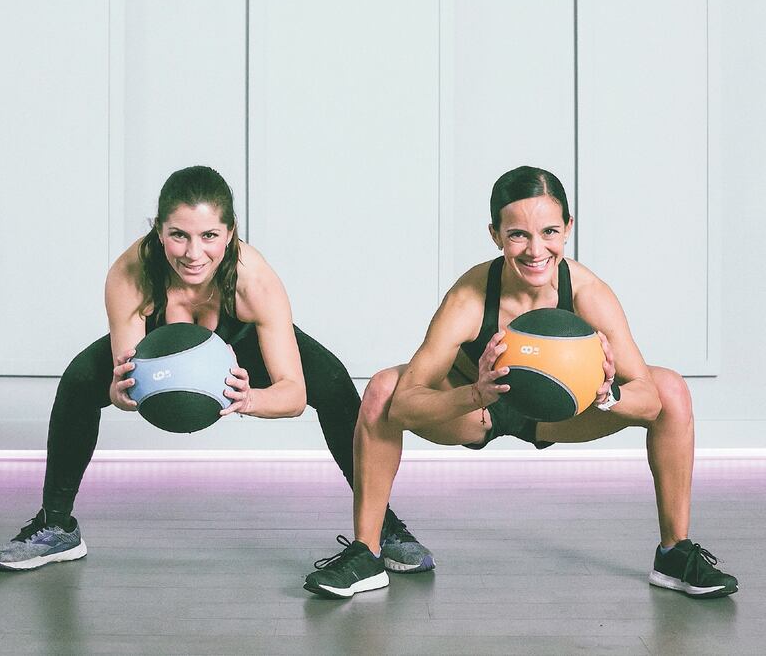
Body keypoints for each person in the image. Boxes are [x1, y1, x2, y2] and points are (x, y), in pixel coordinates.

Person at [303, 165, 738, 600]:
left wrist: (606, 394)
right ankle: (367, 552)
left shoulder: (589, 294)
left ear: (568, 228)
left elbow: (647, 400)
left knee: (673, 389)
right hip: (475, 410)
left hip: (561, 414)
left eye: (549, 231)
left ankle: (674, 554)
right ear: (495, 235)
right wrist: (474, 392)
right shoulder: (470, 296)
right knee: (382, 388)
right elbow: (404, 404)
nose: (535, 250)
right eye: (518, 235)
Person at [0, 165, 431, 571]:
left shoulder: (253, 281)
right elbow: (129, 383)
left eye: (209, 236)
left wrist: (250, 398)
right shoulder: (131, 275)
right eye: (178, 235)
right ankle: (57, 527)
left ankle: (382, 527)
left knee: (333, 385)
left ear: (231, 233)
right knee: (80, 380)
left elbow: (294, 394)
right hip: (164, 347)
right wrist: (124, 393)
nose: (193, 253)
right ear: (158, 232)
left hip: (242, 343)